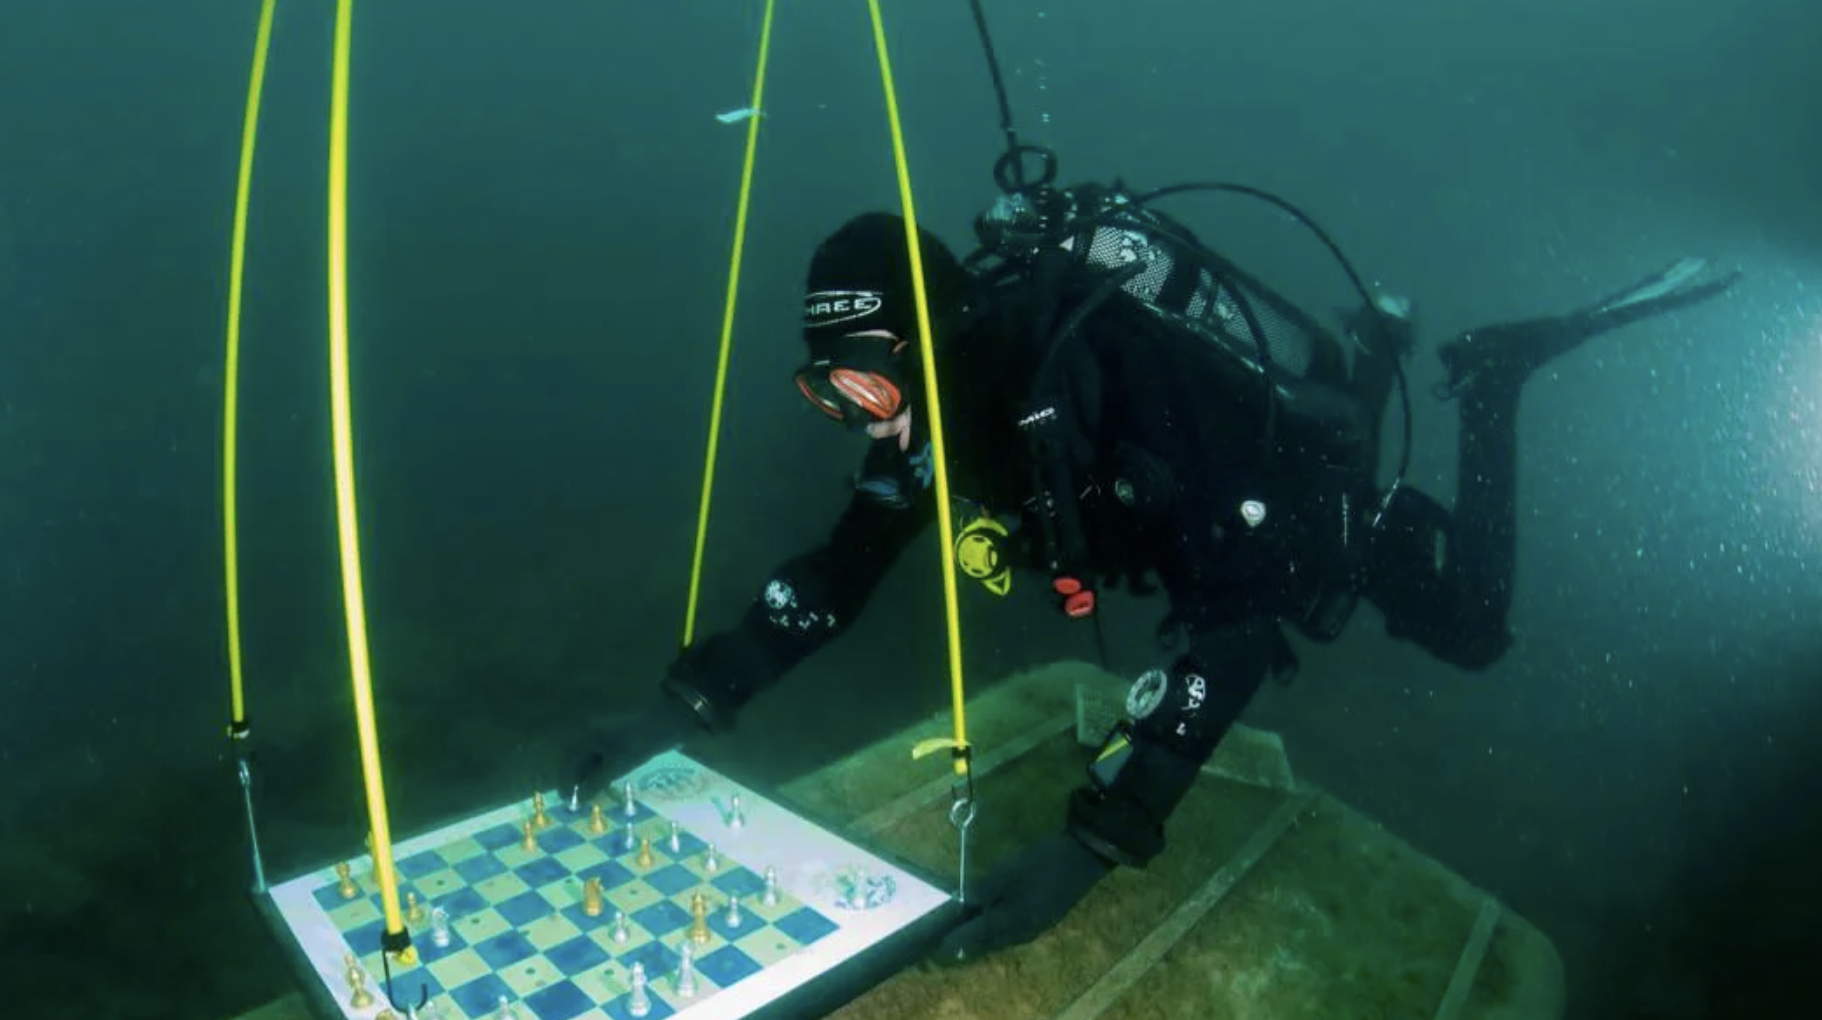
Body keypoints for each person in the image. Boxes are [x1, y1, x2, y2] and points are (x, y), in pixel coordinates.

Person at [565, 188, 1734, 963]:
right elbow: (841, 568)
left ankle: (1487, 381)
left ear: (935, 332)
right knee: (1335, 411)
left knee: (1468, 622)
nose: (865, 417)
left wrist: (1096, 840)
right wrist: (679, 705)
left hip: (1284, 504)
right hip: (1195, 500)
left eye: (870, 380)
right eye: (833, 391)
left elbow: (1235, 622)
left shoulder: (1098, 383)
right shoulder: (943, 414)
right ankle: (1378, 338)